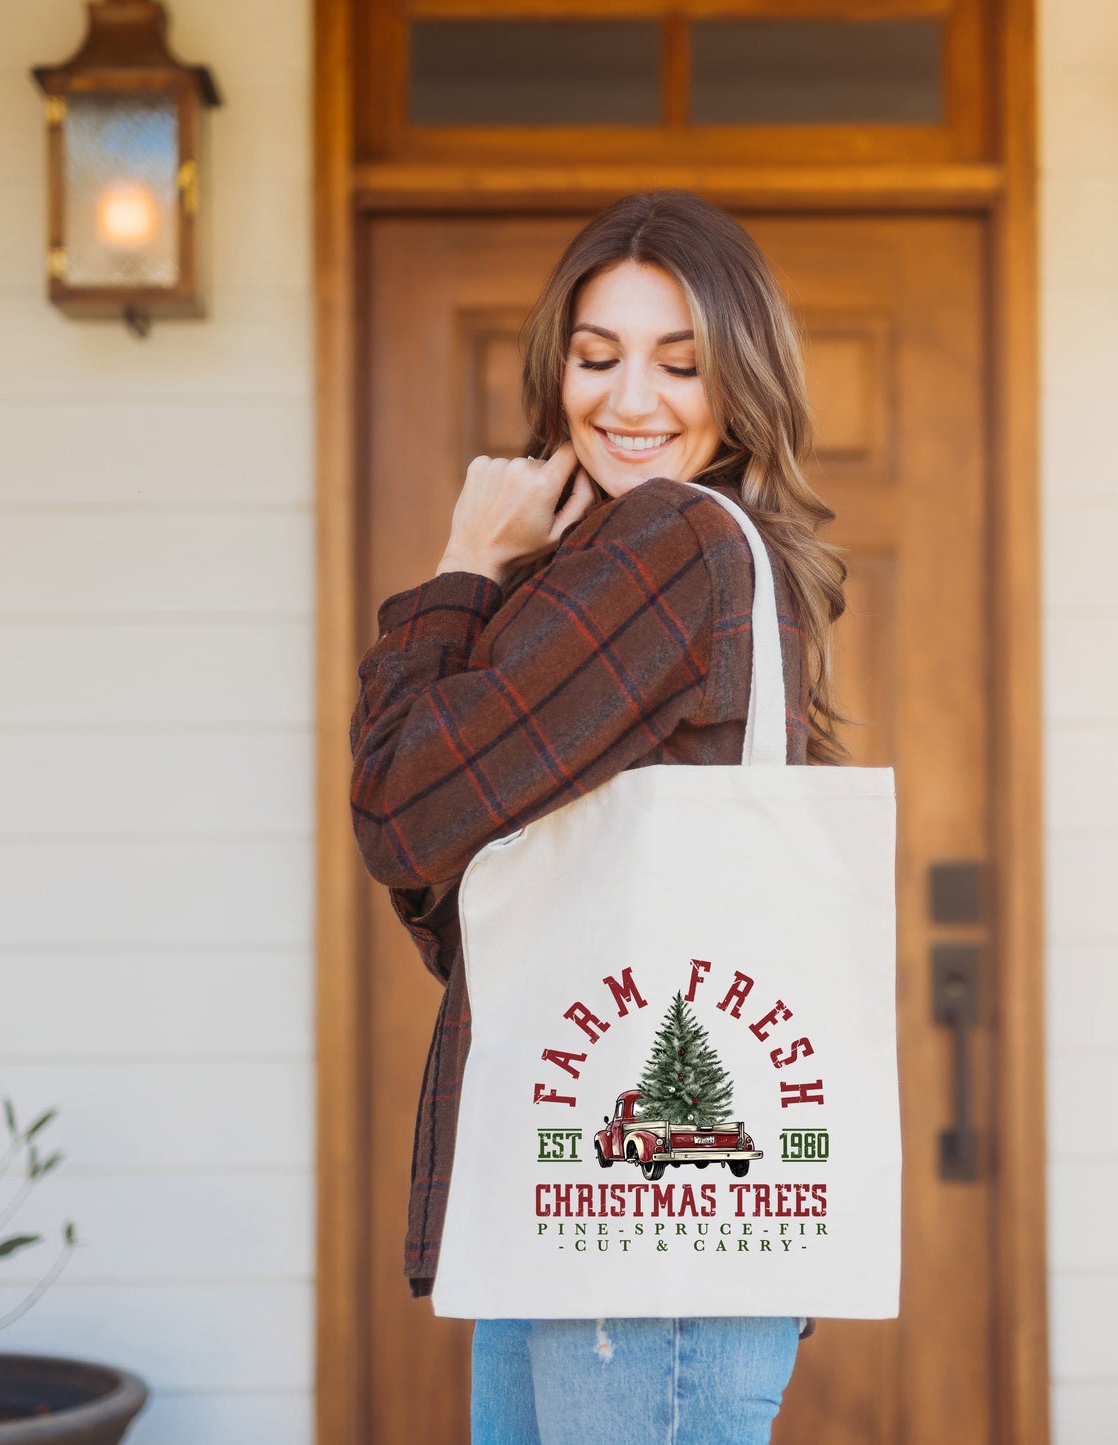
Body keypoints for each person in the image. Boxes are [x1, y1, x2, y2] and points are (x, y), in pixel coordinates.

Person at [349, 189, 853, 1444]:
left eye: (679, 363)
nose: (629, 400)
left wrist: (465, 559)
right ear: (555, 369)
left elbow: (402, 812)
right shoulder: (625, 563)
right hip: (577, 1191)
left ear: (740, 385)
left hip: (642, 1226)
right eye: (596, 356)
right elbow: (472, 881)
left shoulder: (674, 543)